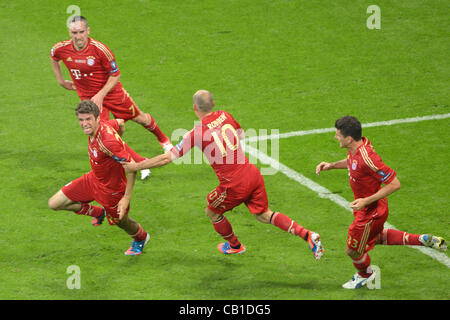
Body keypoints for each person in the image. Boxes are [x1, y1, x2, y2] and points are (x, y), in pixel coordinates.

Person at [121, 90, 324, 259]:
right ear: (213, 104)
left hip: (233, 184)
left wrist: (137, 166)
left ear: (194, 108)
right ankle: (307, 235)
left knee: (213, 211)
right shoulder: (225, 115)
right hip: (252, 173)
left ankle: (235, 245)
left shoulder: (195, 133)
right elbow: (241, 135)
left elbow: (168, 158)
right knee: (263, 214)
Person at [315, 115, 447, 289]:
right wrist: (331, 165)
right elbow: (352, 162)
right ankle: (422, 240)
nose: (335, 137)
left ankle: (366, 274)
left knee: (353, 250)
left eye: (338, 135)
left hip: (371, 211)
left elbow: (395, 184)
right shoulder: (355, 149)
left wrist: (365, 201)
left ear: (348, 138)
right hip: (368, 208)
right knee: (373, 238)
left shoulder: (368, 159)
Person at [50, 15, 172, 179]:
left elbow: (115, 75)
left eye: (81, 32)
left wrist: (101, 94)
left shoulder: (100, 50)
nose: (78, 36)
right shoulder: (61, 48)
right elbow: (54, 57)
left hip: (112, 93)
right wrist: (60, 80)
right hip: (89, 100)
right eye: (74, 32)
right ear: (69, 32)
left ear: (88, 31)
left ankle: (164, 141)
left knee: (140, 118)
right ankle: (140, 162)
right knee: (105, 133)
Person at [48, 100, 150, 256]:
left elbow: (132, 168)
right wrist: (120, 140)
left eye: (88, 119)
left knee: (122, 222)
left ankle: (141, 238)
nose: (84, 124)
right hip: (93, 179)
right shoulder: (103, 127)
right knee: (54, 203)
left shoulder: (107, 142)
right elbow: (120, 123)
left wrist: (126, 198)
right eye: (81, 120)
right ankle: (97, 212)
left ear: (97, 119)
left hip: (112, 191)